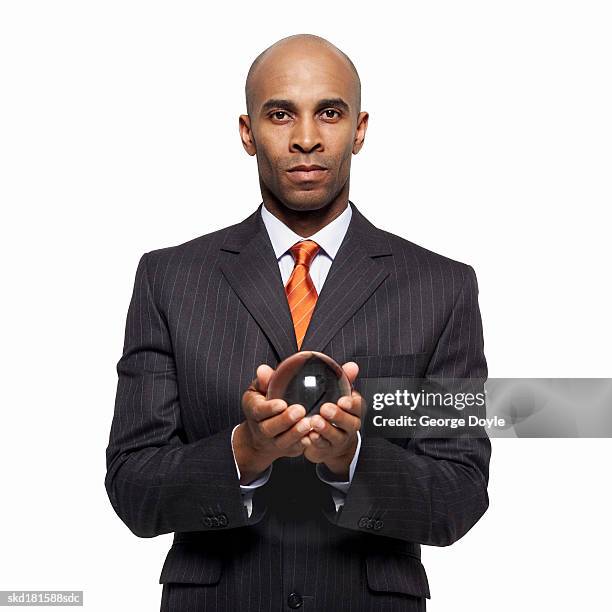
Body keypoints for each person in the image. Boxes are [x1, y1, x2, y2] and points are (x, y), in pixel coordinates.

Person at [105, 33, 491, 612]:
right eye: (280, 113)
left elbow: (460, 493)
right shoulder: (170, 279)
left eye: (329, 113)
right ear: (246, 132)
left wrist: (350, 459)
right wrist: (245, 451)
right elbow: (133, 485)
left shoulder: (441, 288)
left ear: (359, 130)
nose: (306, 138)